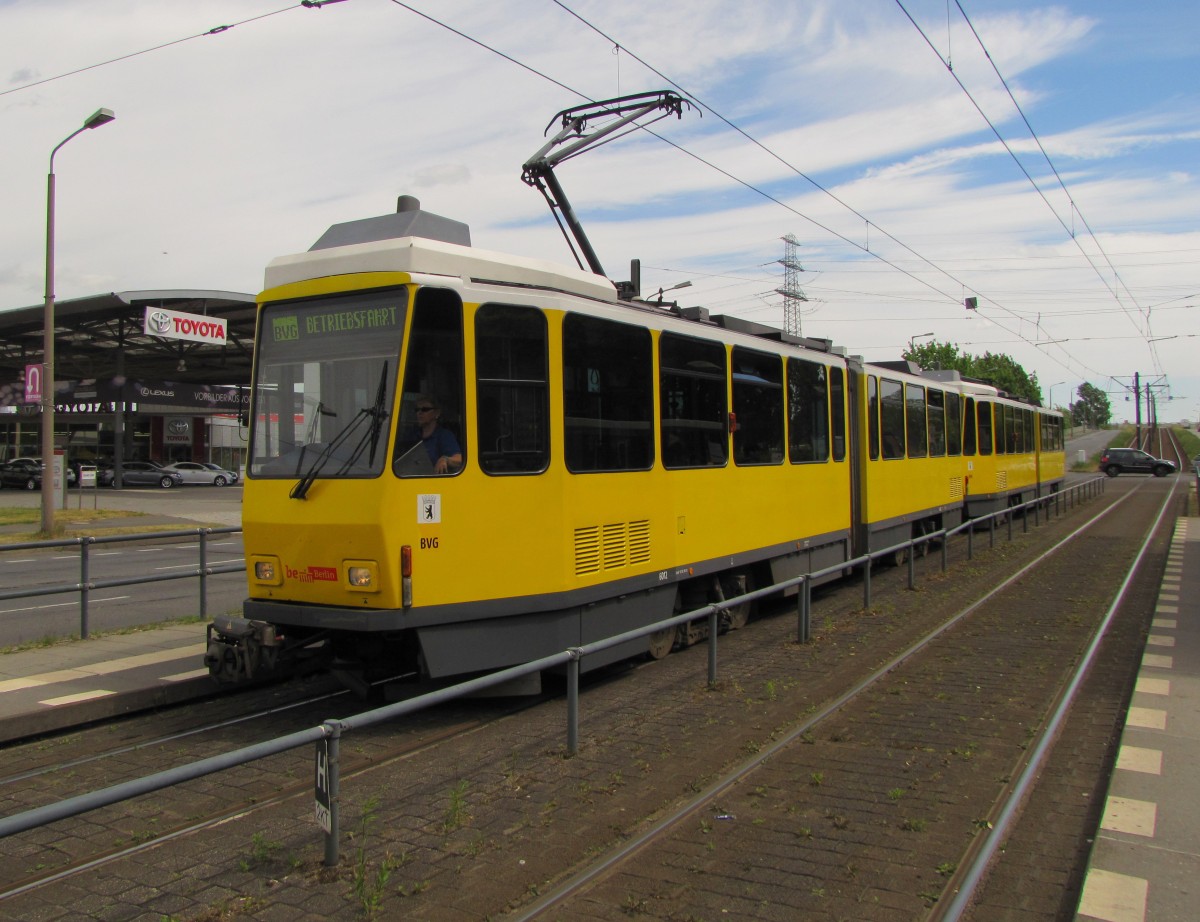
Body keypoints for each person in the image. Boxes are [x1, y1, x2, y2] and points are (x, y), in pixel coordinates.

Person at [400, 395, 462, 474]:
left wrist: (445, 459)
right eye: (417, 410)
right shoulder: (412, 434)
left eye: (425, 409)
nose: (419, 413)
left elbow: (459, 459)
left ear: (437, 413)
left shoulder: (444, 435)